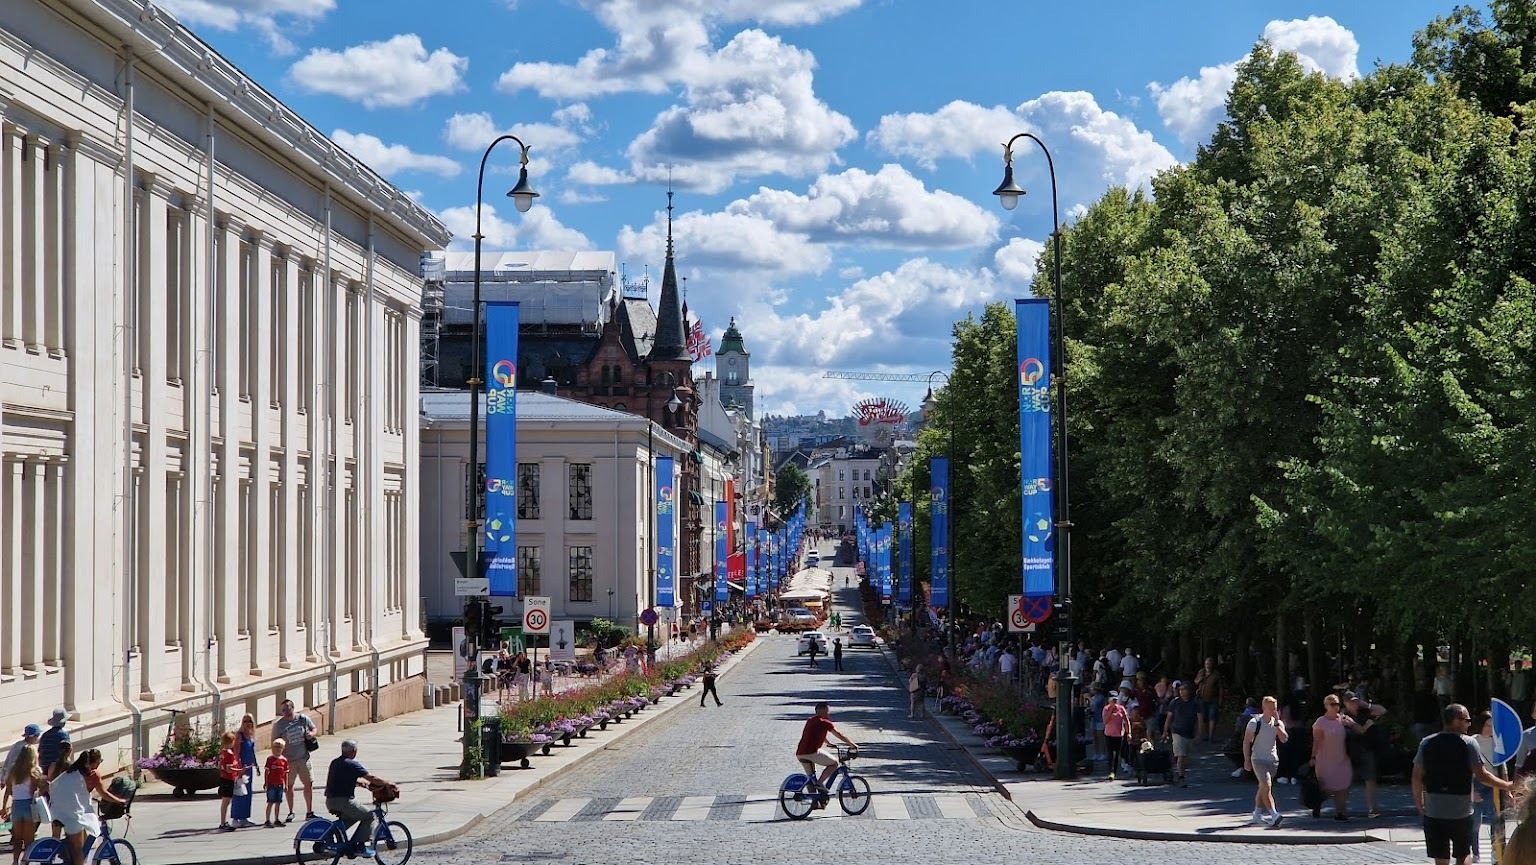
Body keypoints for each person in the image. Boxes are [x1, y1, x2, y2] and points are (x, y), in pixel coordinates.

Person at [1413, 704, 1517, 865]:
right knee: (1462, 856)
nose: (1469, 724)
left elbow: (1416, 776)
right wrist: (1507, 785)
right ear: (1456, 720)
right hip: (1460, 813)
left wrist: (1419, 804)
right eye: (1466, 720)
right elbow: (1483, 776)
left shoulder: (1426, 743)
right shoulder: (1468, 743)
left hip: (1434, 811)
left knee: (1440, 859)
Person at [49, 749, 126, 864]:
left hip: (57, 809)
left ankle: (66, 855)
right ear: (95, 762)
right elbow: (103, 793)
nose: (99, 765)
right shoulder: (92, 774)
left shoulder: (70, 772)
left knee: (81, 836)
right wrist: (119, 801)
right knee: (78, 849)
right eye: (99, 762)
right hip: (72, 812)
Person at [324, 740, 384, 857]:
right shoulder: (352, 764)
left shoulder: (335, 762)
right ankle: (359, 846)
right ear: (354, 751)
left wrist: (359, 783)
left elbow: (341, 778)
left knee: (352, 817)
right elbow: (371, 777)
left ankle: (330, 834)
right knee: (370, 816)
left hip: (330, 801)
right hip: (344, 801)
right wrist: (387, 783)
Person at [794, 703, 857, 807]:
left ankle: (815, 803)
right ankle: (820, 783)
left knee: (811, 777)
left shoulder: (810, 720)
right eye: (827, 710)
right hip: (811, 752)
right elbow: (839, 735)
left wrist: (828, 743)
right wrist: (852, 745)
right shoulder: (825, 723)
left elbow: (816, 734)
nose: (829, 713)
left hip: (800, 754)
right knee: (834, 763)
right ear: (822, 710)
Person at [1311, 693, 1359, 820]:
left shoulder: (1342, 719)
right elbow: (1317, 741)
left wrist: (1351, 723)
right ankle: (1317, 804)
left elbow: (1358, 730)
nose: (1335, 706)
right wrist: (1313, 757)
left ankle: (1340, 812)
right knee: (1326, 787)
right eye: (1332, 704)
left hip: (1342, 758)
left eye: (1337, 704)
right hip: (1325, 760)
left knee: (1343, 785)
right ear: (1326, 706)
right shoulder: (1321, 722)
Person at [1243, 695, 1289, 827]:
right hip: (1258, 759)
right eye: (1270, 709)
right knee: (1266, 785)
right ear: (1264, 708)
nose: (1273, 711)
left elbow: (1284, 739)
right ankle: (1274, 814)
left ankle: (1257, 814)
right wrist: (1246, 760)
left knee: (1263, 787)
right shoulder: (1254, 723)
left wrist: (1277, 725)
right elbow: (1246, 742)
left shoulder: (1277, 723)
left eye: (1274, 708)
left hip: (1272, 760)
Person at [273, 698, 319, 822]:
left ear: (293, 708)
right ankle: (291, 811)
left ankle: (309, 811)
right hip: (288, 761)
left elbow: (314, 728)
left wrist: (311, 734)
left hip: (303, 758)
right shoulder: (279, 725)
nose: (286, 712)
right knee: (289, 786)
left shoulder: (302, 719)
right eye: (283, 710)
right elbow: (274, 742)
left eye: (288, 709)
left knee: (308, 784)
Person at [1345, 691, 1389, 818]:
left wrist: (1367, 705)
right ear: (1345, 703)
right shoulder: (1343, 715)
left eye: (1355, 701)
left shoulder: (1365, 712)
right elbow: (1360, 730)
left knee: (1370, 780)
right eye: (1351, 702)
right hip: (1349, 751)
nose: (1354, 704)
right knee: (1345, 781)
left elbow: (1382, 711)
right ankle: (1340, 809)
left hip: (1366, 750)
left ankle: (1372, 809)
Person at [2, 744, 45, 865]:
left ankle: (15, 860)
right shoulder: (34, 771)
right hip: (28, 805)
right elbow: (33, 791)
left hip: (16, 805)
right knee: (29, 839)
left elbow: (8, 790)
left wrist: (4, 806)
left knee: (17, 837)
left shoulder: (13, 771)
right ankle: (25, 860)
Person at [1163, 682, 1198, 786]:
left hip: (1189, 732)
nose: (1182, 692)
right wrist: (1165, 731)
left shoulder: (1194, 703)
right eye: (1181, 690)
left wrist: (1200, 733)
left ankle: (1177, 770)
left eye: (1184, 689)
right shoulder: (1175, 702)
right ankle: (1181, 777)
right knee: (1181, 755)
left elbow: (1199, 718)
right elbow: (1169, 718)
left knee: (1184, 757)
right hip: (1177, 731)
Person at [230, 713, 258, 828]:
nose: (247, 723)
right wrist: (239, 767)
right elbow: (236, 752)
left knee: (247, 793)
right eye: (245, 721)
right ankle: (235, 818)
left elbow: (252, 752)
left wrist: (256, 765)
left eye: (249, 721)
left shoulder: (250, 736)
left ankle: (245, 817)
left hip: (249, 767)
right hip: (241, 768)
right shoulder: (240, 735)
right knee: (239, 792)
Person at [217, 731, 241, 831]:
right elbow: (229, 768)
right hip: (228, 779)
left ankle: (223, 821)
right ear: (231, 741)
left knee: (225, 802)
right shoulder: (229, 754)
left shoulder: (222, 752)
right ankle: (223, 823)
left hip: (223, 778)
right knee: (226, 801)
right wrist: (240, 770)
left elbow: (220, 766)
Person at [1102, 693, 1130, 780]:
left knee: (1117, 753)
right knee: (1110, 754)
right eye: (1112, 700)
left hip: (1119, 734)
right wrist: (1111, 709)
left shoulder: (1121, 708)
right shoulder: (1106, 709)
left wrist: (1129, 733)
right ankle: (1111, 771)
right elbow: (1105, 721)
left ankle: (1115, 770)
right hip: (1109, 734)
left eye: (1115, 700)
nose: (1114, 701)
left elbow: (1126, 720)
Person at [263, 738, 290, 828]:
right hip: (271, 784)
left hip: (280, 784)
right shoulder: (270, 759)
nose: (278, 750)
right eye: (276, 747)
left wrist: (285, 784)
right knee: (270, 802)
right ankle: (267, 820)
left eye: (280, 748)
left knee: (278, 802)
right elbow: (266, 772)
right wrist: (266, 783)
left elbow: (285, 773)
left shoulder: (284, 760)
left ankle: (277, 819)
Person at [1195, 658, 1222, 744]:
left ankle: (1211, 736)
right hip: (1202, 698)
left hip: (1213, 699)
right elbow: (1195, 682)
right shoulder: (1201, 672)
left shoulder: (1216, 674)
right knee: (1204, 718)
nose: (1208, 665)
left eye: (1209, 664)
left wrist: (1221, 699)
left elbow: (1220, 688)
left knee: (1212, 717)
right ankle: (1206, 735)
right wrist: (1200, 679)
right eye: (1206, 663)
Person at [37, 710, 68, 776]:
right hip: (58, 768)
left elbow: (40, 751)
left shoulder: (45, 735)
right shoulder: (64, 735)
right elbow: (67, 752)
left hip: (45, 768)